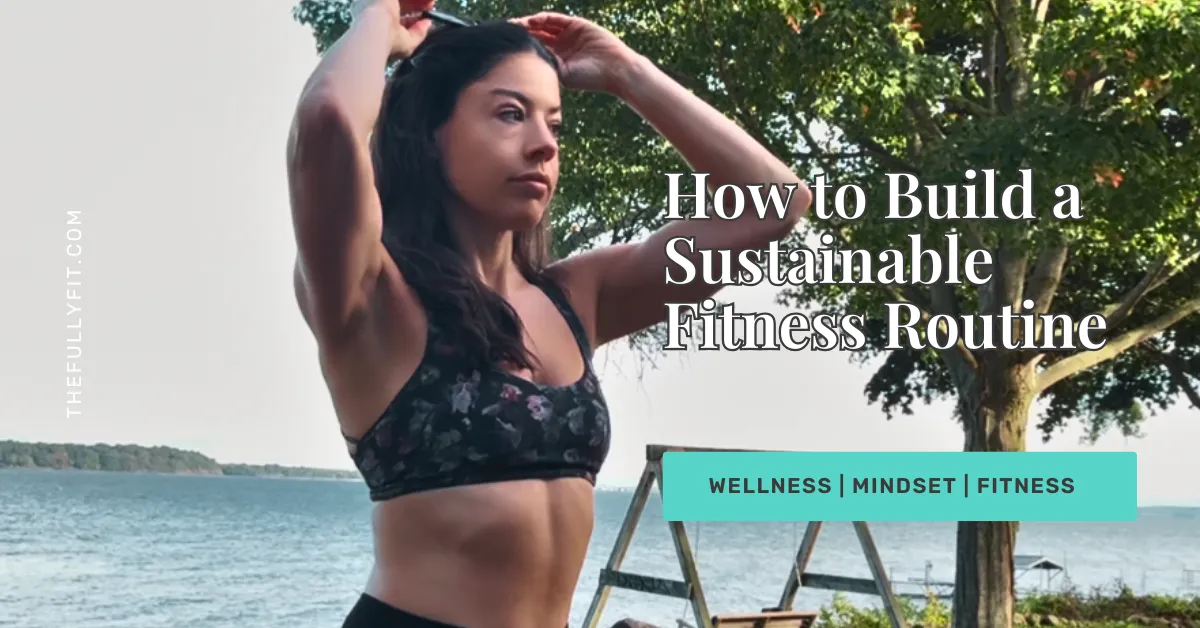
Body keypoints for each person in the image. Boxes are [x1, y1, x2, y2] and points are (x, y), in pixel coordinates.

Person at [285, 1, 813, 626]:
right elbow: (328, 119)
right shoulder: (372, 294)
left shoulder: (577, 296)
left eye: (555, 125)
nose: (543, 145)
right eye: (511, 114)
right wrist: (378, 18)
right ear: (430, 132)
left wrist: (625, 72)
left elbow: (775, 204)